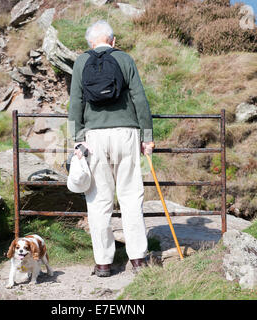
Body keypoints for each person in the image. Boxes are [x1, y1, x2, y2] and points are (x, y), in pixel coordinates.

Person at [68, 20, 154, 277]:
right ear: (113, 41)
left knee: (99, 201)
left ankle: (104, 263)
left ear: (90, 43)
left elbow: (75, 102)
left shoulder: (81, 62)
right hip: (126, 134)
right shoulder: (125, 59)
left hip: (94, 138)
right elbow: (140, 97)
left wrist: (76, 139)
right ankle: (138, 259)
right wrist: (146, 136)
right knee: (130, 197)